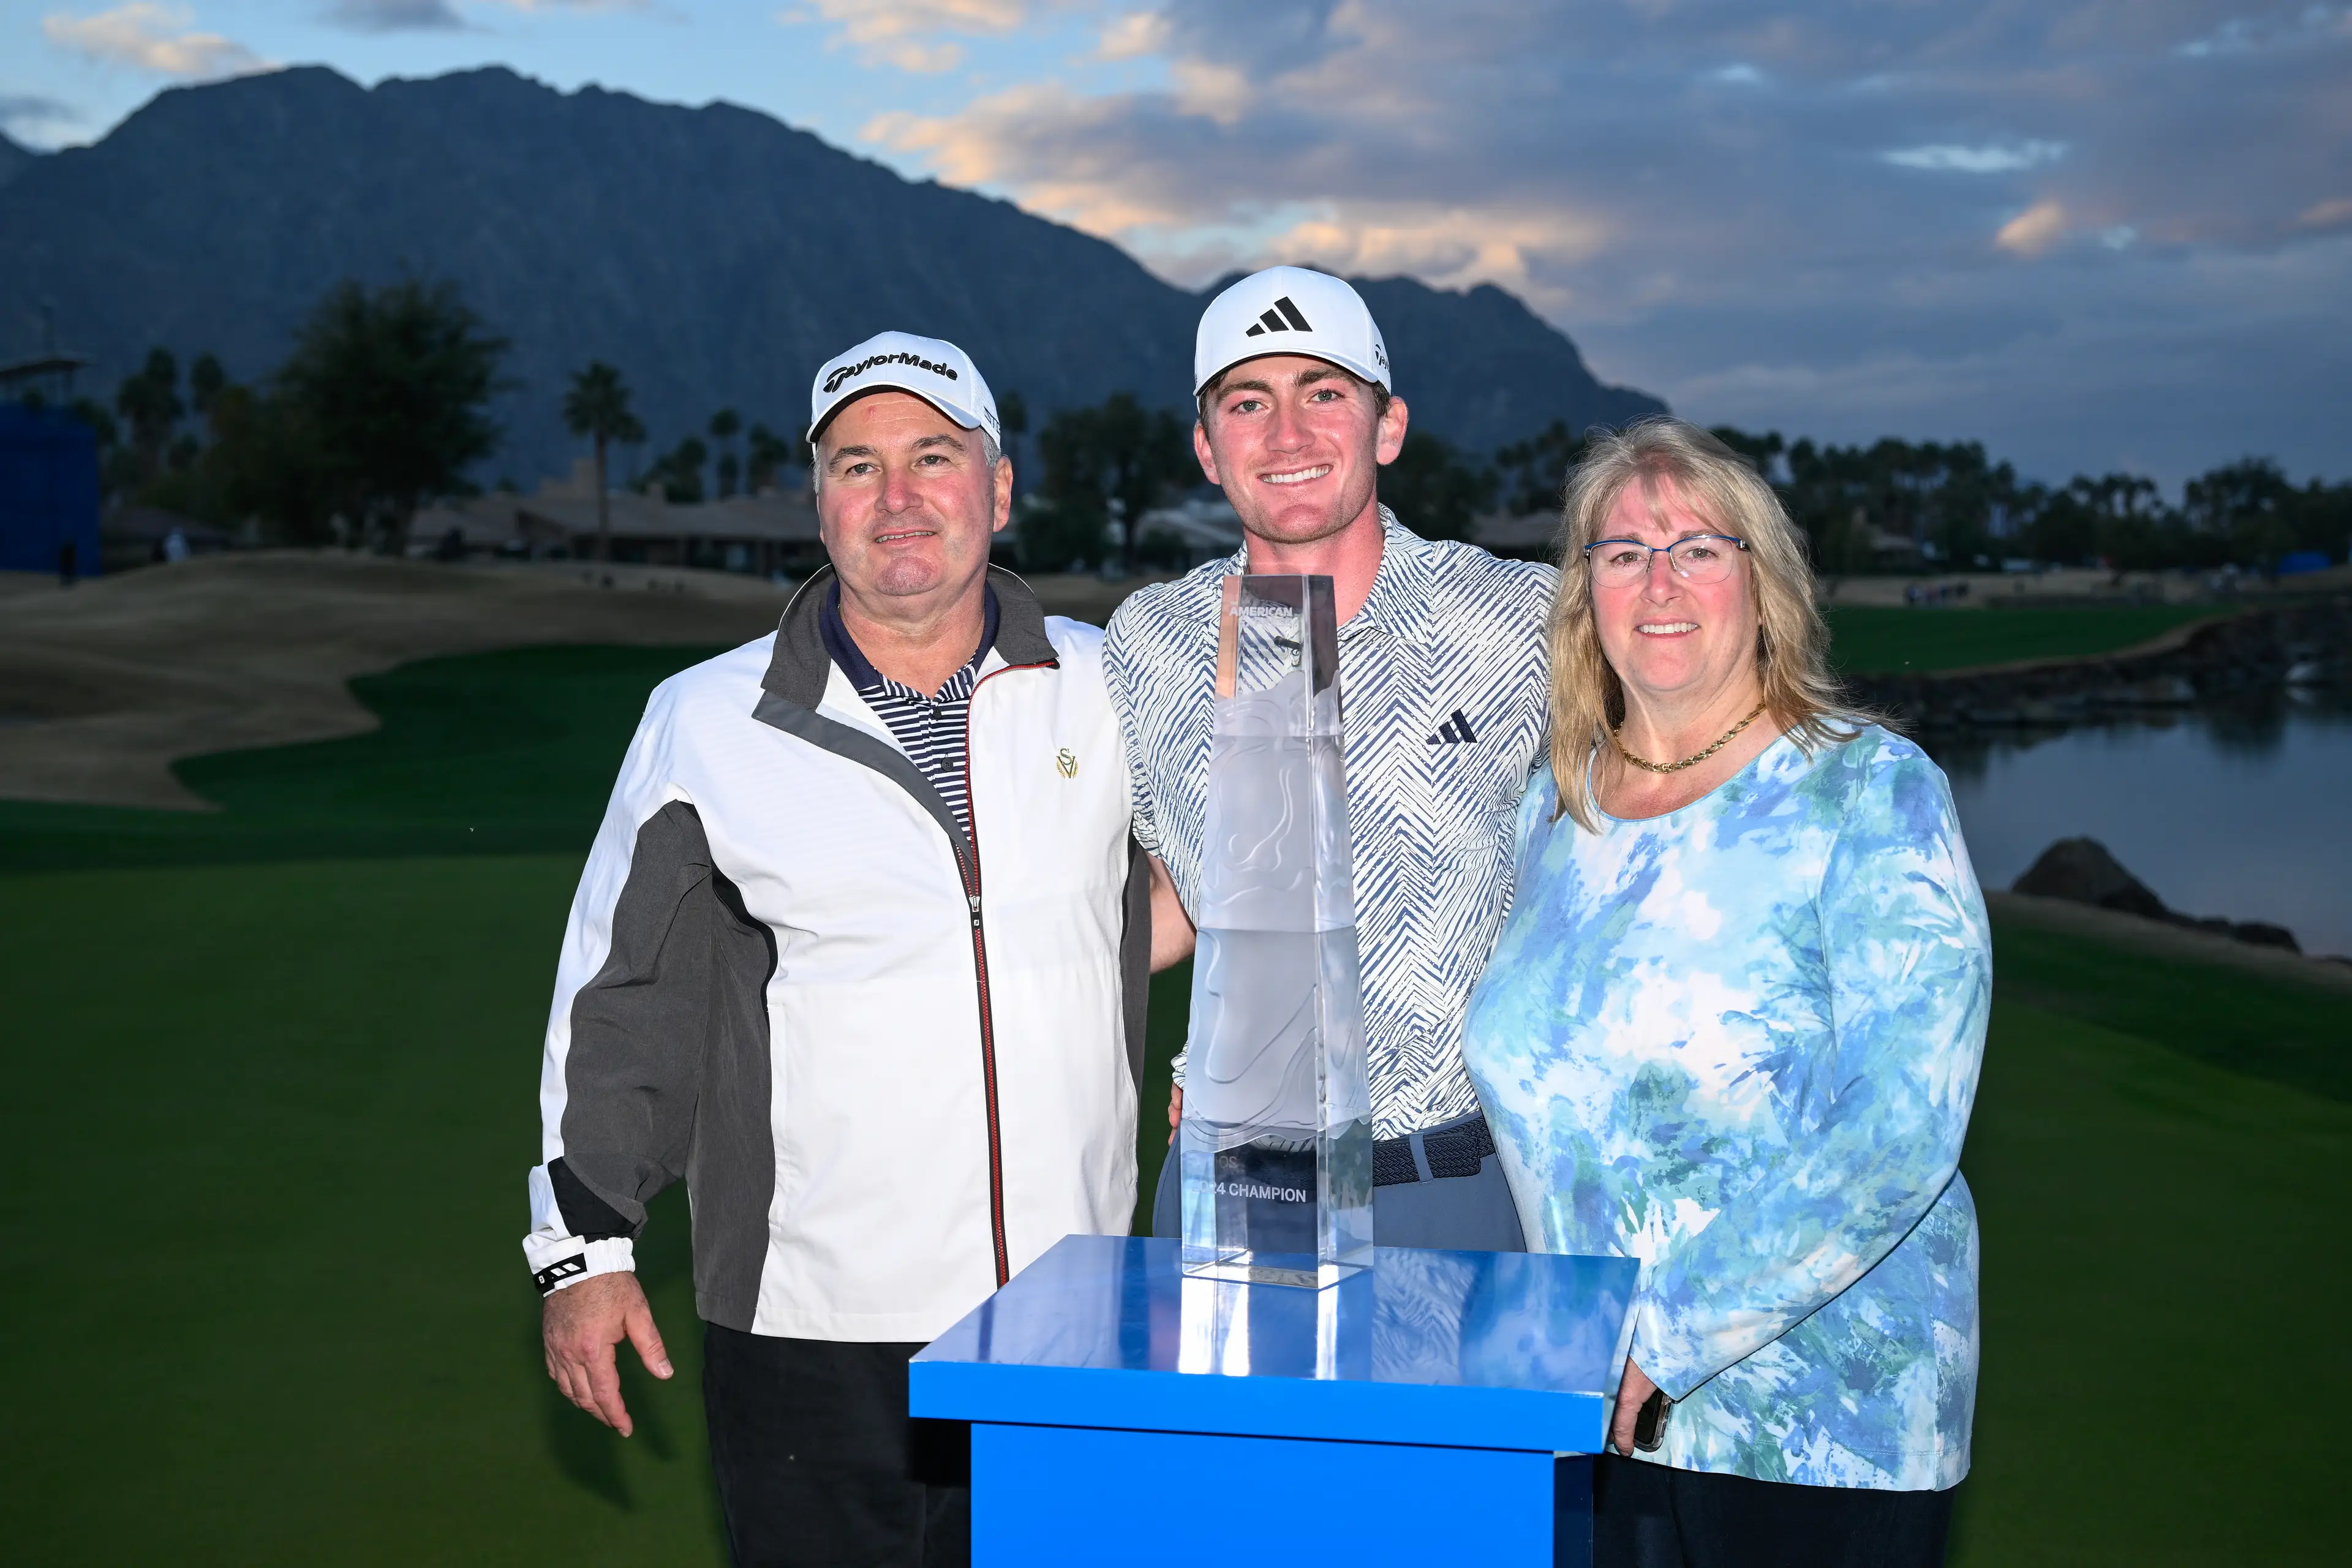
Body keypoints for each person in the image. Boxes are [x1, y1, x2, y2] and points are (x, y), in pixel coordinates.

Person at [526, 331, 1155, 1568]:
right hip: (809, 1323)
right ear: (820, 501)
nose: (900, 497)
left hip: (1069, 1315)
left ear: (1000, 485)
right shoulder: (706, 721)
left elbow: (1218, 885)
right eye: (857, 466)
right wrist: (585, 1255)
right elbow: (622, 997)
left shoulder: (1113, 685)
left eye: (933, 455)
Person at [1460, 419, 1991, 1566]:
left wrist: (1662, 1342)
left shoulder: (1867, 791)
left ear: (1765, 583)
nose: (1661, 582)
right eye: (1624, 553)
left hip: (1817, 1434)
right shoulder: (1554, 810)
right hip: (1592, 1418)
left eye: (1701, 548)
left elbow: (1903, 1129)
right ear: (1584, 593)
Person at [1107, 266, 1556, 1250]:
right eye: (1248, 402)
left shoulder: (1517, 618)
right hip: (1229, 1187)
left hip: (1448, 1185)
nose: (1288, 435)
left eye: (1323, 393)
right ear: (1206, 448)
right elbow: (1173, 894)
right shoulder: (1151, 639)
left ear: (1387, 426)